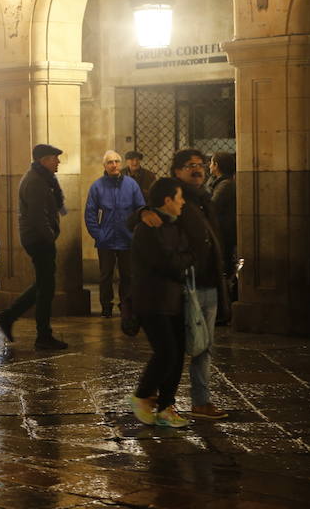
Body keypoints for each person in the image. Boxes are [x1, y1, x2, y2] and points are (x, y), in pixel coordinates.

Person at [135, 149, 229, 419]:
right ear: (176, 171)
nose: (197, 170)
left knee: (203, 345)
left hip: (209, 282)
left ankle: (198, 401)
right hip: (185, 284)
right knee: (174, 350)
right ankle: (164, 402)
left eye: (200, 165)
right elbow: (141, 218)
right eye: (189, 166)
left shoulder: (205, 198)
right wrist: (142, 212)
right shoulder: (171, 197)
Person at [129, 177, 193, 428]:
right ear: (168, 201)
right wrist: (184, 261)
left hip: (174, 297)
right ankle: (142, 395)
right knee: (165, 352)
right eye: (179, 198)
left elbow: (185, 254)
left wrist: (183, 259)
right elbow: (166, 263)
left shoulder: (176, 224)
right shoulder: (147, 228)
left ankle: (166, 406)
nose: (183, 202)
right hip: (152, 299)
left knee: (176, 354)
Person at [0, 144, 68, 350]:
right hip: (39, 240)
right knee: (46, 287)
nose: (58, 162)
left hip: (38, 238)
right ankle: (42, 335)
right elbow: (37, 216)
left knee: (44, 285)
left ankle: (9, 317)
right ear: (44, 160)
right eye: (55, 158)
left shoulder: (43, 178)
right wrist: (50, 236)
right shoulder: (36, 181)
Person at [84, 150, 145, 318]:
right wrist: (99, 234)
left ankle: (126, 305)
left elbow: (141, 209)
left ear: (121, 164)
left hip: (127, 239)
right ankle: (106, 307)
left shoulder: (131, 185)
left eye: (117, 161)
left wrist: (135, 233)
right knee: (105, 276)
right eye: (110, 162)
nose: (114, 165)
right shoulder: (97, 186)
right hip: (106, 239)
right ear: (105, 166)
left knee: (128, 275)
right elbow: (90, 213)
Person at [208, 151, 237, 303]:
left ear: (217, 165)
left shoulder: (224, 185)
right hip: (223, 231)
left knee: (224, 267)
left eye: (211, 162)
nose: (209, 166)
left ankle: (225, 304)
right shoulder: (220, 183)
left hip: (224, 233)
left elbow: (212, 206)